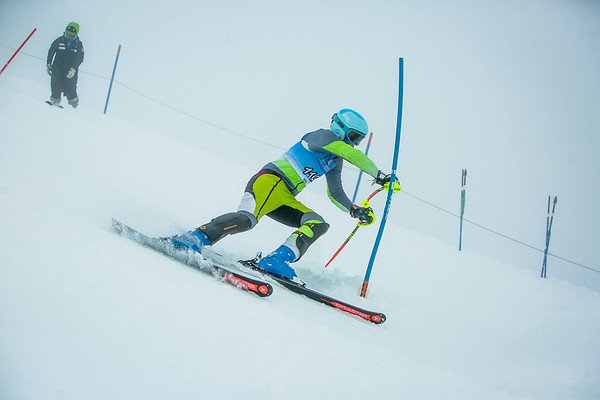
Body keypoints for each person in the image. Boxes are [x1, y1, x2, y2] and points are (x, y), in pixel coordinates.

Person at [169, 109, 401, 280]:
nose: (355, 145)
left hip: (285, 195)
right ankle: (192, 239)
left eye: (358, 141)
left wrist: (354, 209)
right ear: (340, 129)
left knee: (317, 223)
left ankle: (276, 260)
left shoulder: (335, 160)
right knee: (246, 220)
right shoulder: (322, 137)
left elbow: (336, 192)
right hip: (271, 181)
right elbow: (350, 153)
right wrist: (381, 176)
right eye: (353, 138)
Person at [46, 22, 84, 108]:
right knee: (56, 84)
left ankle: (73, 106)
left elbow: (80, 58)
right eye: (68, 33)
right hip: (57, 68)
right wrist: (48, 63)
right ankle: (54, 103)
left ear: (76, 34)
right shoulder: (59, 41)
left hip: (70, 70)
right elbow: (51, 51)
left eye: (72, 34)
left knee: (70, 87)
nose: (69, 35)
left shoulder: (78, 44)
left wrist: (74, 69)